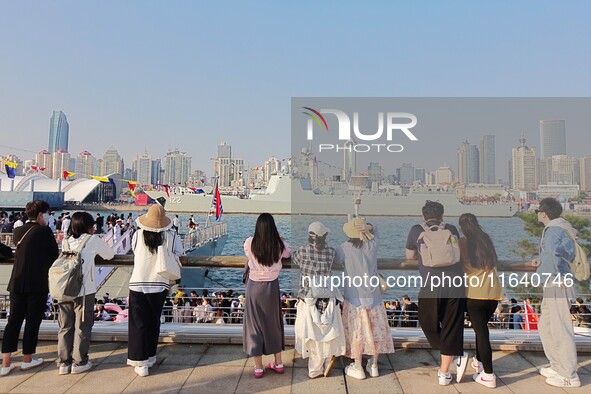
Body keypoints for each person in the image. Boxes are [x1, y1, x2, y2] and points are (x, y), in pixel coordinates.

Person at [405, 201, 468, 385]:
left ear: (423, 215)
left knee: (426, 321)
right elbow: (458, 253)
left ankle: (445, 370)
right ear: (442, 215)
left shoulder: (416, 230)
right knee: (452, 324)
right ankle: (452, 357)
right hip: (456, 283)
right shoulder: (451, 228)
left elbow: (410, 256)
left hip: (431, 284)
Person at [1, 200, 59, 376]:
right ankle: (27, 359)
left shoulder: (18, 230)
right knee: (32, 321)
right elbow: (54, 254)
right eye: (47, 214)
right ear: (41, 215)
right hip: (37, 283)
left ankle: (6, 363)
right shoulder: (45, 231)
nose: (48, 217)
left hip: (17, 282)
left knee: (13, 322)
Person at [127, 204, 183, 377]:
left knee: (138, 324)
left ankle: (140, 362)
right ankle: (151, 356)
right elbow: (180, 252)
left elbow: (135, 251)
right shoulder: (171, 236)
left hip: (138, 282)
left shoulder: (137, 235)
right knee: (153, 321)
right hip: (159, 284)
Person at [56, 212, 115, 375]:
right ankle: (79, 361)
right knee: (82, 326)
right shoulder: (92, 240)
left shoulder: (66, 241)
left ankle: (63, 362)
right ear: (88, 226)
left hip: (65, 289)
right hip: (84, 290)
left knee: (65, 326)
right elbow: (109, 255)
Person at [532, 197, 581, 387]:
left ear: (544, 213)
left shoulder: (552, 231)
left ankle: (569, 374)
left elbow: (553, 257)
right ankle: (557, 365)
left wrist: (541, 274)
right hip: (560, 281)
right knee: (546, 326)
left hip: (557, 282)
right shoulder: (563, 228)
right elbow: (562, 255)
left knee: (560, 329)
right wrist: (540, 261)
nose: (537, 213)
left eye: (538, 210)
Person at [339, 217, 394, 380]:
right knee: (375, 329)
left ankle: (357, 365)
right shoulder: (372, 245)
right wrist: (368, 227)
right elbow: (376, 231)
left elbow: (333, 258)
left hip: (355, 297)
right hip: (374, 295)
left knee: (357, 331)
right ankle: (374, 364)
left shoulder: (344, 248)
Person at [292, 221, 346, 379]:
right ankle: (327, 360)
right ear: (325, 236)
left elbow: (294, 259)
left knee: (312, 333)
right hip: (327, 296)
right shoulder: (330, 252)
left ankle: (315, 369)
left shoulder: (302, 251)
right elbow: (336, 262)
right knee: (327, 331)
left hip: (308, 297)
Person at [242, 213, 291, 378]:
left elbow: (247, 253)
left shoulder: (250, 242)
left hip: (254, 287)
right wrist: (280, 239)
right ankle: (278, 363)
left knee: (255, 326)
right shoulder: (278, 245)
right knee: (274, 324)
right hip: (272, 287)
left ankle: (258, 367)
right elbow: (288, 253)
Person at [458, 213, 502, 388]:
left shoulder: (462, 242)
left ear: (461, 227)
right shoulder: (486, 239)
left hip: (475, 293)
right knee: (481, 330)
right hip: (493, 292)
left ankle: (489, 375)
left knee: (482, 333)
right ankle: (480, 361)